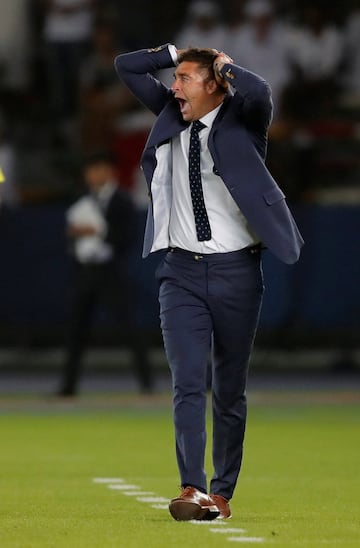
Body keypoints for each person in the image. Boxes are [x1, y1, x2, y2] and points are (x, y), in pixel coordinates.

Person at [115, 44, 303, 521]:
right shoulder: (169, 113)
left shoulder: (244, 120)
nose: (173, 86)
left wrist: (224, 64)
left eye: (184, 78)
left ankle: (223, 493)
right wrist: (176, 53)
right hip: (178, 273)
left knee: (229, 390)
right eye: (173, 78)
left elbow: (259, 90)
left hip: (236, 271)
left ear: (215, 84)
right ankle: (192, 488)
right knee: (188, 382)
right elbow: (125, 66)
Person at [58, 151, 153, 396]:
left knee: (129, 328)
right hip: (85, 272)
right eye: (89, 170)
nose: (93, 175)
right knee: (76, 329)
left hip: (111, 273)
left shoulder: (122, 201)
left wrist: (98, 232)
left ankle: (147, 384)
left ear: (109, 171)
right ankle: (68, 387)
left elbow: (128, 237)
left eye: (98, 168)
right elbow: (70, 235)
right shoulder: (81, 199)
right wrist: (75, 236)